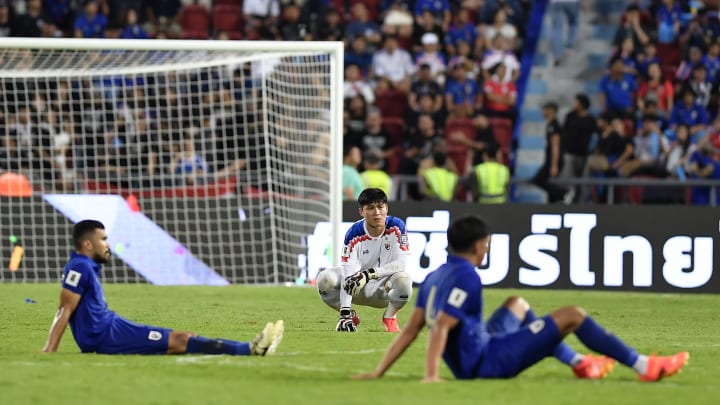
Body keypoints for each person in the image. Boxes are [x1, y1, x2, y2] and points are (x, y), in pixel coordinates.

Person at [353, 215, 689, 382]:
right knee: (573, 314)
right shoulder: (466, 275)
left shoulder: (437, 275)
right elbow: (440, 328)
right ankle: (644, 366)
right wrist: (431, 376)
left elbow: (411, 330)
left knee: (517, 303)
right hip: (485, 362)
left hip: (476, 346)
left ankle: (581, 364)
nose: (488, 247)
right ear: (477, 246)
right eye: (487, 243)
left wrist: (377, 372)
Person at [43, 220, 284, 355]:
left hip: (112, 326)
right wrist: (49, 350)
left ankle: (248, 348)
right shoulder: (79, 267)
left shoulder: (85, 266)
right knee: (179, 339)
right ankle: (249, 350)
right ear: (87, 244)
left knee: (185, 337)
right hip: (106, 336)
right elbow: (64, 309)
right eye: (102, 239)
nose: (108, 244)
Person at [316, 188, 412, 333]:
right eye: (371, 208)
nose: (377, 212)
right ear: (361, 211)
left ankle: (390, 317)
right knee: (324, 279)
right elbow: (348, 275)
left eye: (380, 207)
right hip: (358, 287)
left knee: (404, 280)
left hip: (384, 289)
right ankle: (350, 316)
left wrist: (369, 274)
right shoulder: (354, 233)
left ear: (387, 208)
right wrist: (345, 313)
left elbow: (401, 264)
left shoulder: (397, 227)